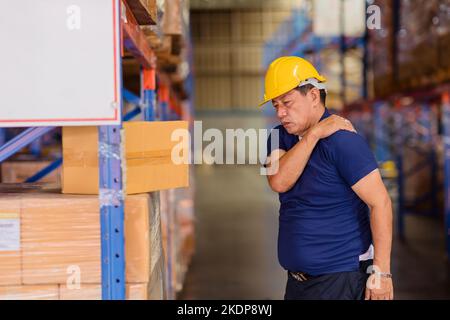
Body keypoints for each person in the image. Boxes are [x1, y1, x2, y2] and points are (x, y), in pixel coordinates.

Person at [261, 56, 393, 300]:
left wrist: (381, 274)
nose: (280, 113)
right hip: (297, 282)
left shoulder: (343, 142)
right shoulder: (278, 137)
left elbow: (380, 203)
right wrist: (313, 135)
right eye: (276, 105)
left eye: (287, 103)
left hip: (340, 280)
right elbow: (278, 181)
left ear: (313, 96)